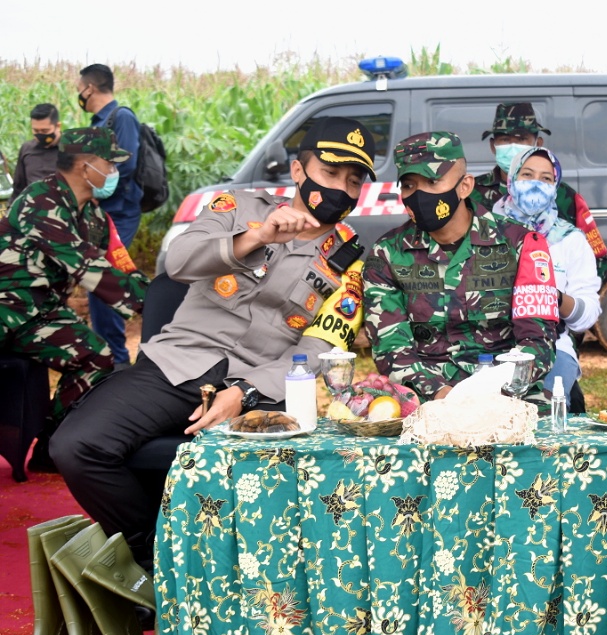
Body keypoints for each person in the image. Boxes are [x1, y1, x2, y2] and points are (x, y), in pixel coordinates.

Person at [50, 117, 375, 569]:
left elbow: (320, 349)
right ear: (299, 171)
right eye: (331, 172)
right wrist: (256, 236)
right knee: (75, 446)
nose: (341, 188)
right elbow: (179, 263)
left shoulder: (349, 263)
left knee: (274, 493)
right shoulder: (238, 207)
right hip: (177, 365)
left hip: (260, 388)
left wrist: (245, 393)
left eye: (354, 180)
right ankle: (155, 557)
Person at [363, 131, 558, 403]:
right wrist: (442, 395)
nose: (419, 195)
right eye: (409, 185)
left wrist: (493, 390)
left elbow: (538, 340)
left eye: (432, 181)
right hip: (428, 398)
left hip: (509, 395)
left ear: (465, 186)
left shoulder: (521, 244)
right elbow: (390, 347)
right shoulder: (386, 254)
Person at [0, 127, 148, 468]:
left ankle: (50, 447)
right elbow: (86, 266)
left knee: (96, 356)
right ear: (85, 166)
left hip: (41, 313)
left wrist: (162, 298)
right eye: (109, 164)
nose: (113, 172)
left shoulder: (92, 216)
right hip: (9, 309)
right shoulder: (40, 202)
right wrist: (149, 305)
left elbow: (118, 266)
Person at [493, 146, 600, 407]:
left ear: (555, 186)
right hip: (490, 344)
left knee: (544, 411)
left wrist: (554, 297)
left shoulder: (570, 239)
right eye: (527, 175)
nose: (535, 184)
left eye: (546, 179)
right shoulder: (485, 231)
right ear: (511, 180)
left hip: (552, 346)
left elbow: (587, 316)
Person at [472, 102, 607, 279]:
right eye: (505, 140)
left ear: (538, 143)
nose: (513, 146)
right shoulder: (471, 193)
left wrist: (567, 293)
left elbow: (597, 259)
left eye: (521, 139)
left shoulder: (563, 196)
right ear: (493, 146)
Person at [76, 64, 142, 371]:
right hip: (100, 214)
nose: (78, 94)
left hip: (120, 213)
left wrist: (91, 186)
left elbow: (125, 165)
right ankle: (109, 357)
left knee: (104, 280)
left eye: (79, 88)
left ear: (89, 88)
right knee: (97, 283)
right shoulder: (97, 122)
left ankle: (118, 360)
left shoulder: (122, 117)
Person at [11, 103, 62, 200]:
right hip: (32, 207)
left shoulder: (72, 150)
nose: (40, 135)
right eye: (36, 131)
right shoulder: (27, 149)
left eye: (45, 131)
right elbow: (18, 188)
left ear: (58, 126)